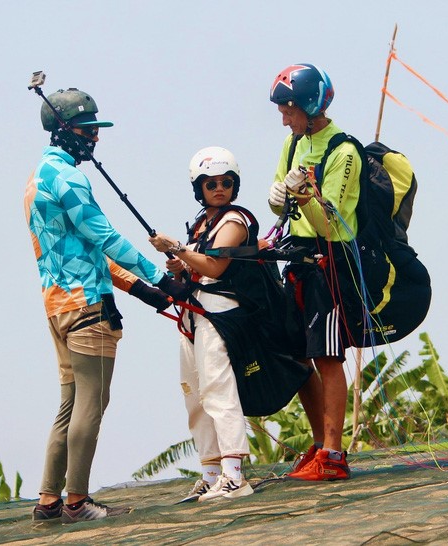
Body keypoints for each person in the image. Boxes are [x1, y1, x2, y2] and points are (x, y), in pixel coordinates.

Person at [25, 87, 189, 523]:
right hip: (88, 309)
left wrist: (141, 290)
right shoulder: (70, 179)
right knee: (92, 404)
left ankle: (48, 501)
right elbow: (107, 240)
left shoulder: (37, 178)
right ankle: (77, 502)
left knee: (69, 404)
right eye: (86, 129)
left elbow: (83, 250)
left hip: (58, 308)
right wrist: (162, 278)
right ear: (63, 131)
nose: (94, 138)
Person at [267, 63, 359, 481]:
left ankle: (335, 455)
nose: (284, 119)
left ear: (308, 106)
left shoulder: (342, 151)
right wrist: (278, 198)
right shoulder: (292, 145)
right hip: (298, 259)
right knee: (297, 353)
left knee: (327, 356)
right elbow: (280, 205)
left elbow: (331, 224)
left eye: (288, 111)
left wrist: (303, 194)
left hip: (330, 262)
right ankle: (321, 443)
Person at [149, 147, 254, 502]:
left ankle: (234, 475)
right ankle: (210, 474)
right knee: (194, 395)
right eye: (211, 184)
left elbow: (215, 267)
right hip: (191, 315)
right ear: (200, 188)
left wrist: (178, 248)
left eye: (226, 182)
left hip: (219, 314)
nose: (219, 188)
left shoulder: (235, 221)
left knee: (218, 390)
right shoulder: (200, 224)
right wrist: (181, 264)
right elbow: (197, 267)